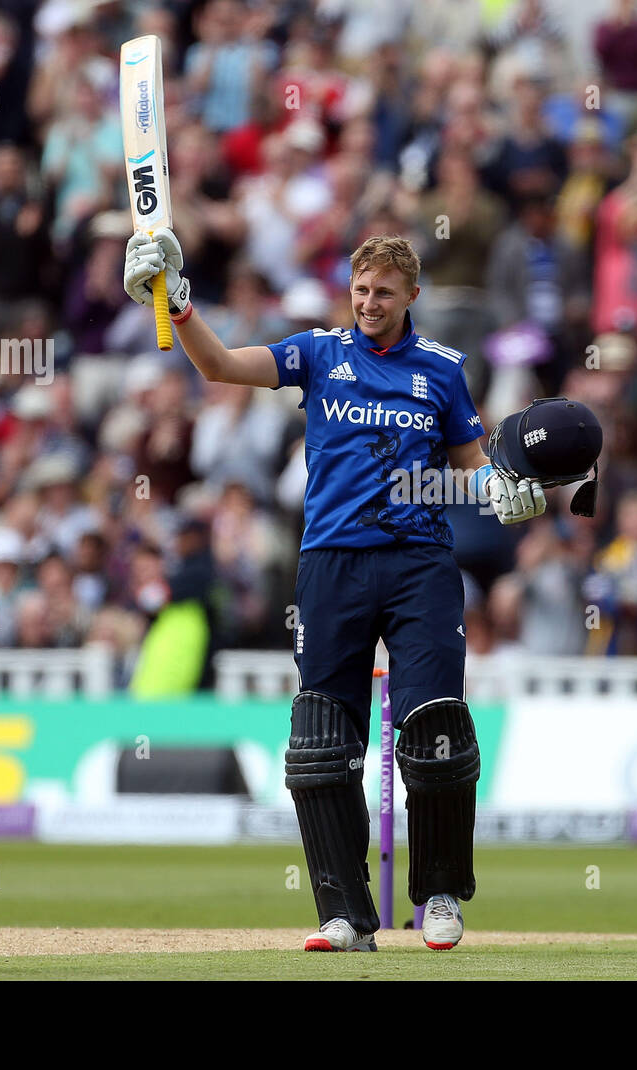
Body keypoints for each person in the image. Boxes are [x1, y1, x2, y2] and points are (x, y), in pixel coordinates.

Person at [123, 230, 550, 952]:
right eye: (359, 290)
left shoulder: (442, 370)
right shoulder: (319, 353)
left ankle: (439, 895)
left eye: (383, 292)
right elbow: (222, 366)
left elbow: (471, 462)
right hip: (331, 564)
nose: (369, 303)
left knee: (436, 729)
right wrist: (180, 301)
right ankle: (347, 915)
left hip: (420, 565)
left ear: (412, 295)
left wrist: (501, 492)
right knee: (321, 743)